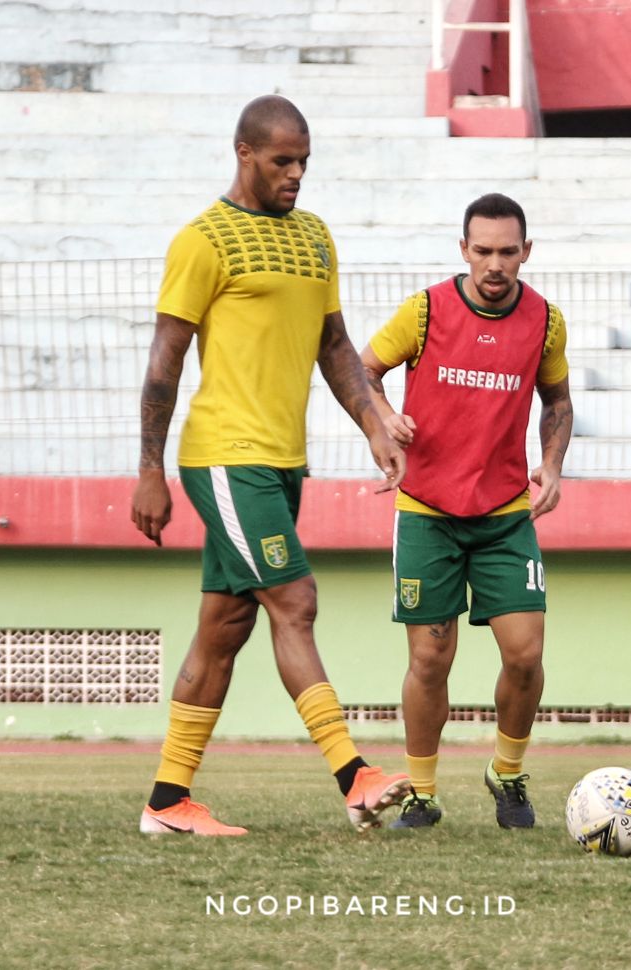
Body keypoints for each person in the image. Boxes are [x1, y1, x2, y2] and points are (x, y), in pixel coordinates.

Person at [131, 95, 411, 836]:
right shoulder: (203, 241)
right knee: (296, 601)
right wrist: (150, 468)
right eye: (283, 161)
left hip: (284, 462)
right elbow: (165, 361)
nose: (296, 175)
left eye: (304, 162)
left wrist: (375, 423)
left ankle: (167, 804)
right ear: (244, 152)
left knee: (223, 628)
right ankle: (355, 777)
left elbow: (336, 348)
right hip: (224, 458)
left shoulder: (315, 238)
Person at [359, 193, 573, 830]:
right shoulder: (425, 311)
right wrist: (384, 417)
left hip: (505, 512)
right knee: (430, 658)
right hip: (426, 510)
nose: (495, 264)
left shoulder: (546, 321)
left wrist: (553, 464)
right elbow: (363, 371)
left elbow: (557, 403)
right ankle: (422, 795)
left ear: (526, 252)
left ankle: (507, 774)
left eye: (508, 251)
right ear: (463, 251)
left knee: (526, 655)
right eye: (482, 251)